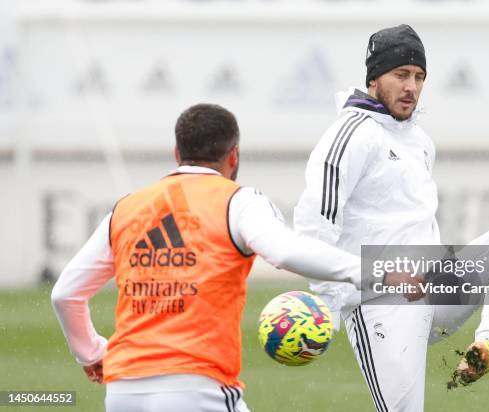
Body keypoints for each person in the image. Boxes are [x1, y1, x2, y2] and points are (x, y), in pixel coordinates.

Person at [51, 103, 416, 412]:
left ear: (178, 154)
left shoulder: (126, 209)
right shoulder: (237, 201)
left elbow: (65, 294)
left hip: (123, 392)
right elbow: (285, 251)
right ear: (233, 155)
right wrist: (375, 273)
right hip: (197, 387)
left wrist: (92, 352)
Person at [294, 24, 489, 412]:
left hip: (436, 288)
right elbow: (314, 226)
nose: (412, 86)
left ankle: (487, 343)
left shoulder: (419, 140)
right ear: (374, 78)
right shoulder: (350, 136)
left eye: (419, 76)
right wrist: (328, 305)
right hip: (381, 303)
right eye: (401, 74)